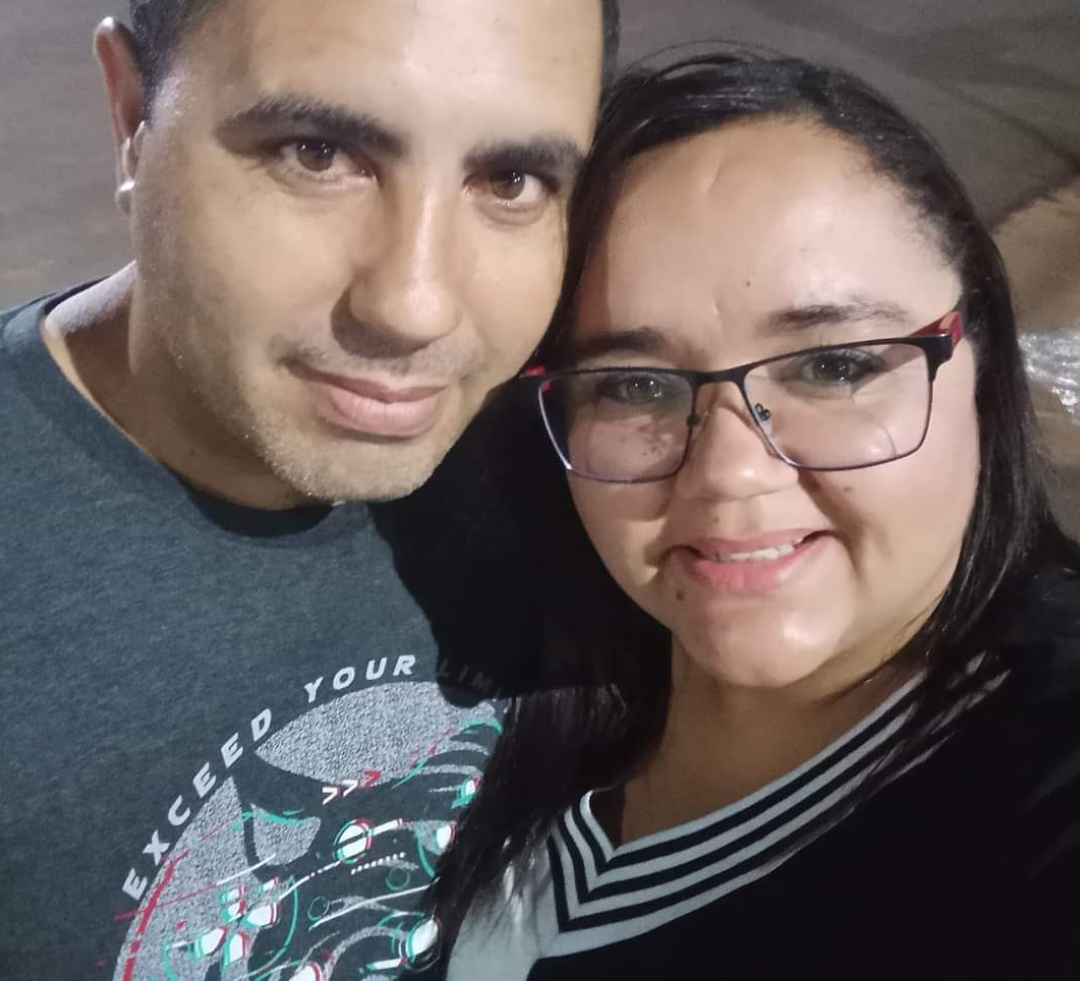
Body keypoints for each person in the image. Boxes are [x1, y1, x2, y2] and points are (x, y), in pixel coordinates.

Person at [0, 0, 618, 976]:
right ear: (131, 116)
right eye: (316, 153)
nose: (415, 306)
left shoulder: (584, 470)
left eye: (511, 180)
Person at [430, 54, 1080, 978]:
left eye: (834, 366)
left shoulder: (1037, 788)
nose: (729, 474)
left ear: (980, 362)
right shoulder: (519, 671)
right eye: (635, 384)